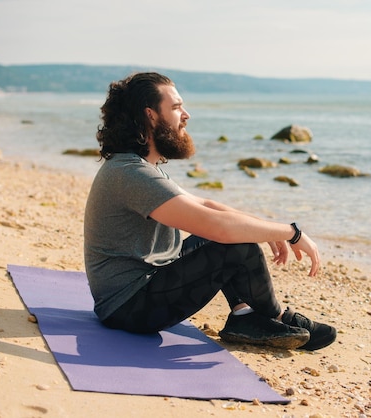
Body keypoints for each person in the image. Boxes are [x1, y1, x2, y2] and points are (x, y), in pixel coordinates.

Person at [83, 72, 336, 351]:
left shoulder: (140, 167)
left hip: (142, 288)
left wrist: (263, 226)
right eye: (177, 107)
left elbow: (205, 205)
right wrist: (291, 232)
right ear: (150, 115)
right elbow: (218, 227)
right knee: (233, 245)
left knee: (236, 237)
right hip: (128, 307)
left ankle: (246, 315)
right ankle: (274, 316)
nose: (186, 115)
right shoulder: (130, 173)